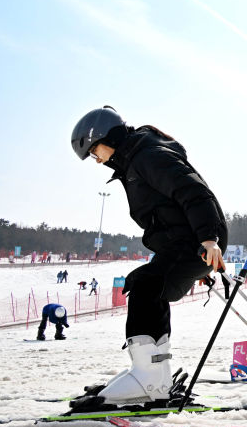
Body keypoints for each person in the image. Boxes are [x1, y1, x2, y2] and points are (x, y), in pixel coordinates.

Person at [70, 106, 227, 408]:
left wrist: (209, 240)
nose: (96, 159)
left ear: (107, 137)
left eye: (94, 150)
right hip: (182, 243)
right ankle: (152, 373)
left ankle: (150, 378)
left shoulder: (148, 156)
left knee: (145, 285)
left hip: (194, 240)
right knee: (149, 286)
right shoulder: (136, 158)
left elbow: (193, 191)